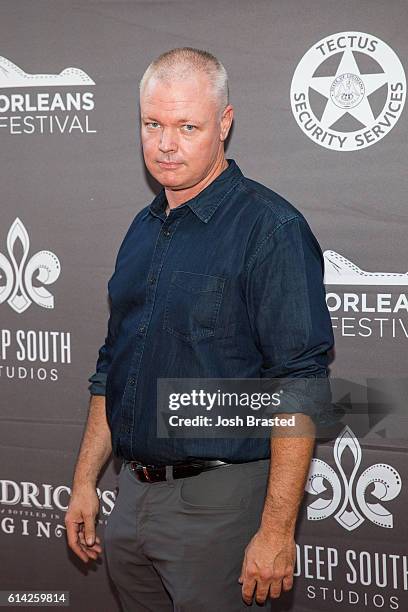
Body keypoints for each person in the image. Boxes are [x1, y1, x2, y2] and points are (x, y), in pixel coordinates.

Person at [65, 47, 334, 611]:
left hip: (221, 505)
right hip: (132, 497)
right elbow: (112, 366)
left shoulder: (271, 228)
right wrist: (86, 480)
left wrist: (277, 530)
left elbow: (300, 385)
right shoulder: (142, 229)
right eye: (153, 124)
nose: (166, 143)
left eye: (188, 126)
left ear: (224, 125)